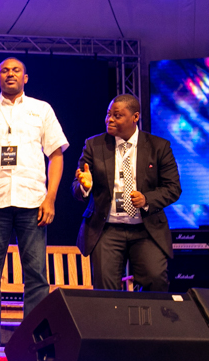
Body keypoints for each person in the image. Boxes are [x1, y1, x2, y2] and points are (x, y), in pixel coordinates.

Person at [0, 57, 68, 354]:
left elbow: (56, 155)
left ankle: (32, 342)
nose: (10, 74)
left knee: (36, 276)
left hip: (32, 201)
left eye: (16, 70)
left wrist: (50, 198)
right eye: (4, 71)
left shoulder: (41, 109)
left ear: (26, 77)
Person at [72, 94, 181, 291]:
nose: (109, 120)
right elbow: (76, 187)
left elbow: (173, 188)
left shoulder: (159, 147)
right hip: (106, 228)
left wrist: (146, 199)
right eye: (108, 114)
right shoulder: (94, 145)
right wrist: (85, 186)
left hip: (146, 228)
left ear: (135, 117)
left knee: (155, 279)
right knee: (105, 288)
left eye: (117, 115)